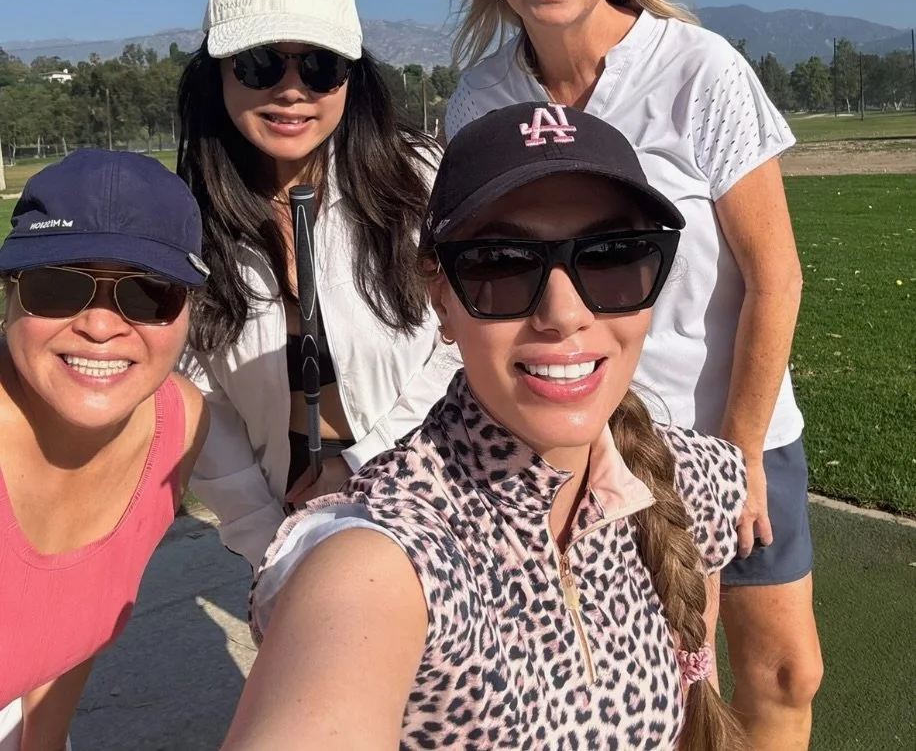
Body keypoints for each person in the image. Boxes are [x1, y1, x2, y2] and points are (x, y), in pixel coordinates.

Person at [444, 0, 823, 750]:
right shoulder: (479, 101)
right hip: (580, 447)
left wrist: (733, 460)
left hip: (734, 427)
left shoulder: (699, 69)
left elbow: (776, 277)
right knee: (643, 695)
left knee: (781, 670)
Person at [220, 102, 749, 751]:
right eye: (501, 262)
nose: (564, 313)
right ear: (440, 297)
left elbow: (698, 693)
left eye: (611, 254)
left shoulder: (699, 478)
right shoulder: (395, 543)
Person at [177, 0, 458, 569]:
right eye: (259, 64)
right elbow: (198, 394)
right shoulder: (190, 217)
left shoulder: (418, 182)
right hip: (281, 514)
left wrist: (364, 468)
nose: (292, 89)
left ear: (352, 76)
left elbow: (462, 336)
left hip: (437, 491)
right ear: (217, 72)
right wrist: (263, 534)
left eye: (320, 66)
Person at [0, 150, 209, 751]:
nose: (99, 325)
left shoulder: (177, 424)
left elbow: (66, 639)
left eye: (148, 293)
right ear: (11, 296)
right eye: (57, 286)